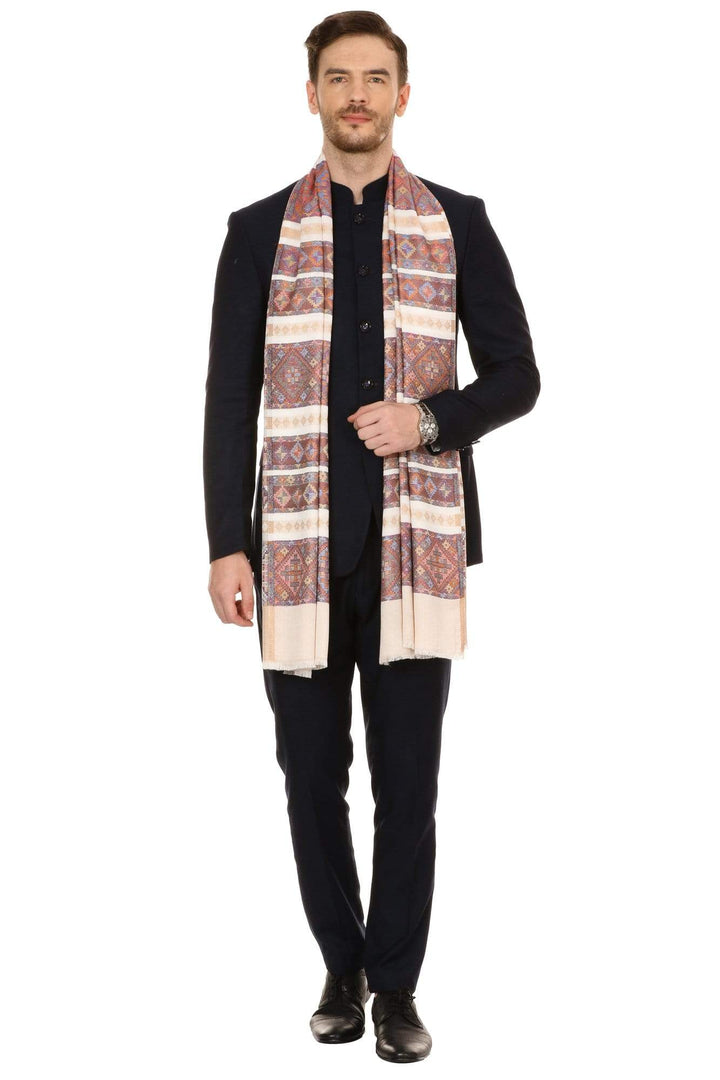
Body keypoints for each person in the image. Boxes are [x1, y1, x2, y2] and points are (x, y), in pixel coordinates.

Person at [204, 10, 540, 1064]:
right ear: (311, 95)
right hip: (293, 552)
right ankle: (338, 967)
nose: (358, 93)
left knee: (408, 784)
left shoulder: (459, 221)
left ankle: (394, 987)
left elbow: (518, 375)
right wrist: (225, 543)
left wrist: (428, 421)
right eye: (339, 77)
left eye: (376, 77)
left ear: (403, 94)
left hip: (414, 549)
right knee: (310, 778)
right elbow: (231, 399)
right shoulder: (257, 231)